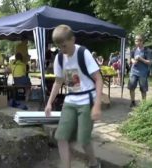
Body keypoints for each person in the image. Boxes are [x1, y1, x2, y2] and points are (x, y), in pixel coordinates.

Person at [44, 25, 102, 168]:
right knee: (61, 137)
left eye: (64, 46)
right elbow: (58, 81)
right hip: (71, 99)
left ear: (72, 40)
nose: (63, 50)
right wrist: (49, 103)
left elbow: (98, 79)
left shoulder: (83, 53)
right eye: (59, 47)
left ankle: (94, 163)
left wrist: (97, 105)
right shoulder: (59, 58)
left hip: (87, 100)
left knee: (83, 140)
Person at [128, 35, 152, 107]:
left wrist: (141, 59)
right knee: (131, 87)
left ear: (142, 41)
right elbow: (131, 58)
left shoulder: (147, 51)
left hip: (142, 73)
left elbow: (150, 62)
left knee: (143, 89)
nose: (136, 42)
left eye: (138, 40)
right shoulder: (133, 50)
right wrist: (133, 61)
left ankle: (144, 104)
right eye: (135, 40)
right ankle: (132, 102)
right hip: (133, 71)